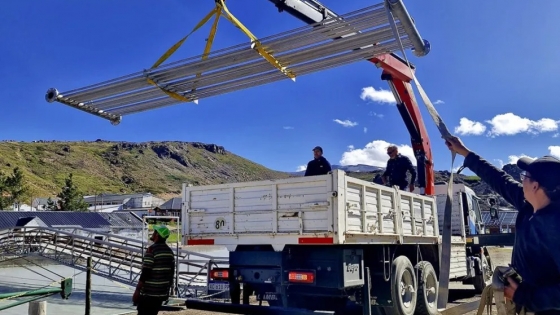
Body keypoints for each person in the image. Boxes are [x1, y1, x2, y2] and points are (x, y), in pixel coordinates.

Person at [445, 135, 560, 314]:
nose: (521, 181)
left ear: (536, 186)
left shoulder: (555, 226)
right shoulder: (528, 205)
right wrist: (465, 153)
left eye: (525, 176)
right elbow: (499, 179)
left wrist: (526, 296)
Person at [133, 225, 176, 315]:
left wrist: (137, 291)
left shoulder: (151, 250)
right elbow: (171, 274)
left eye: (154, 232)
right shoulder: (169, 252)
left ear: (157, 235)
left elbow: (146, 272)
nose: (152, 234)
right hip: (160, 294)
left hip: (149, 294)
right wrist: (167, 291)